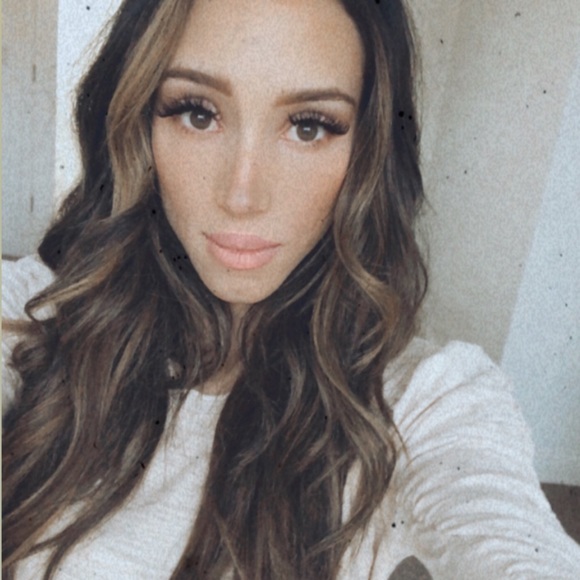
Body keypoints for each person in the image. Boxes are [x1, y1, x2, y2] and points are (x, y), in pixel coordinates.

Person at [2, 0, 580, 578]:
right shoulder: (38, 310)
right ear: (137, 121)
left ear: (369, 149)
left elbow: (512, 543)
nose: (242, 195)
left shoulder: (421, 398)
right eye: (198, 114)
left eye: (308, 126)